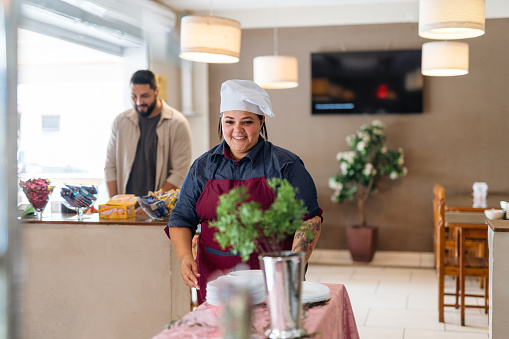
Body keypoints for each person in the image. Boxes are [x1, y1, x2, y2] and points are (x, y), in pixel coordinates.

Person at [166, 79, 322, 304]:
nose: (237, 130)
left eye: (246, 122)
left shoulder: (286, 165)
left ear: (261, 122)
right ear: (221, 121)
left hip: (271, 281)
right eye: (229, 121)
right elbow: (181, 218)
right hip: (214, 282)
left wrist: (292, 270)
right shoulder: (203, 167)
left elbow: (309, 220)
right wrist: (184, 258)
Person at [104, 70, 192, 197]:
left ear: (156, 91)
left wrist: (152, 205)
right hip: (125, 209)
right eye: (134, 96)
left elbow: (180, 172)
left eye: (144, 96)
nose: (139, 102)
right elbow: (110, 167)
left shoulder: (177, 123)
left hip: (160, 210)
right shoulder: (120, 122)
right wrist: (114, 203)